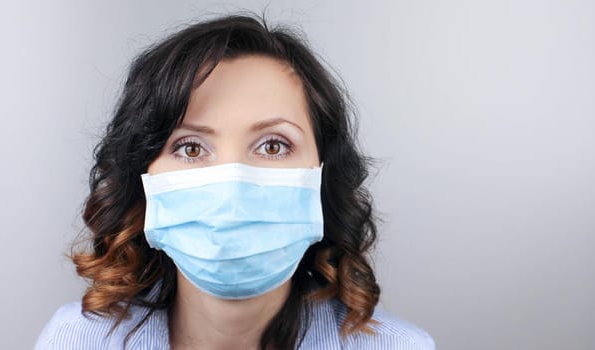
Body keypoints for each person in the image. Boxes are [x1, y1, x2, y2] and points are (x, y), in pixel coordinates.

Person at [35, 13, 435, 350]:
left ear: (322, 173)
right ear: (143, 179)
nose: (232, 186)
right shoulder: (75, 339)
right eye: (191, 148)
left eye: (274, 146)